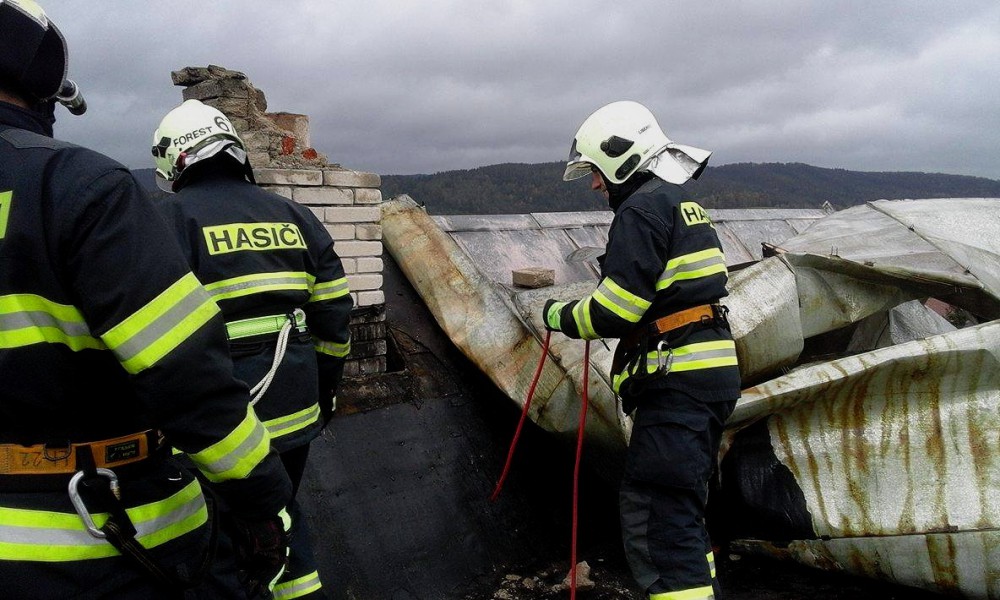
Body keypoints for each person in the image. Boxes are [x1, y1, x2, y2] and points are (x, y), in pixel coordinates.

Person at [0, 2, 295, 598]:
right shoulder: (79, 188)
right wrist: (263, 503)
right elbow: (183, 373)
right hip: (106, 542)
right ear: (42, 85)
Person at [151, 98, 354, 600]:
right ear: (236, 151)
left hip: (214, 429)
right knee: (280, 518)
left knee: (217, 540)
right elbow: (334, 317)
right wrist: (324, 393)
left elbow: (148, 335)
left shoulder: (163, 222)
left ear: (172, 161)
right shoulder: (295, 216)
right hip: (294, 415)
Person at [542, 100, 741, 600]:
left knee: (659, 520)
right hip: (707, 377)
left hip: (676, 386)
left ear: (621, 159)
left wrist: (555, 314)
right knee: (684, 511)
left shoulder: (640, 210)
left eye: (595, 173)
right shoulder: (680, 203)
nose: (594, 186)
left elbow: (615, 311)